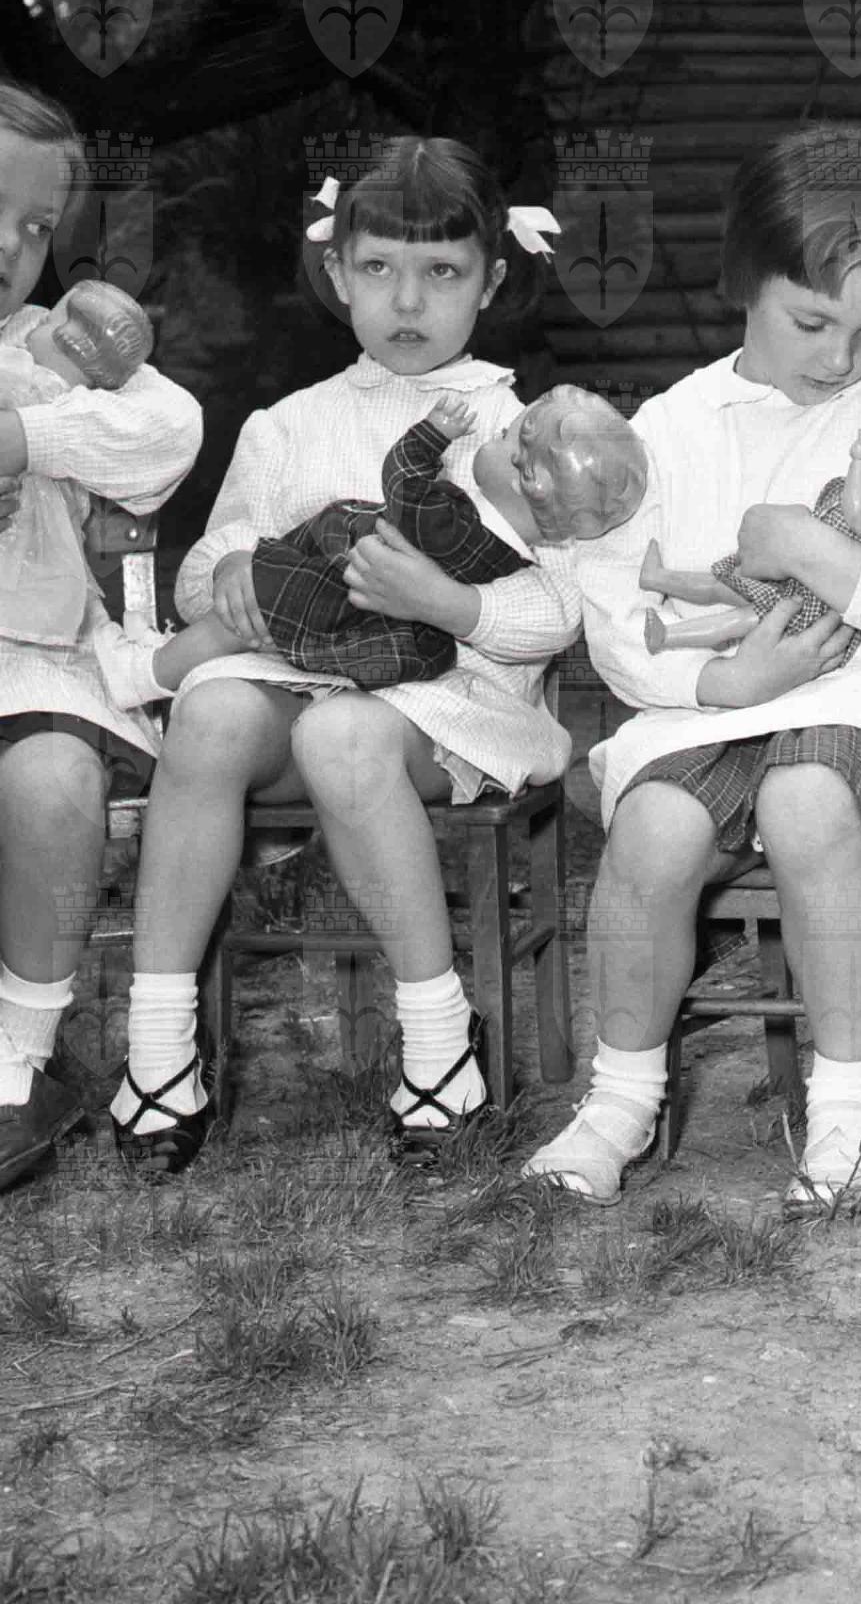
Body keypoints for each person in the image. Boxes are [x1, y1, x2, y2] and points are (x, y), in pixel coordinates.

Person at [524, 124, 861, 1214]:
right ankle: (619, 1098)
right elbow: (617, 612)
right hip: (716, 707)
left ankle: (850, 1106)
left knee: (807, 797)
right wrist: (723, 686)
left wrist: (841, 576)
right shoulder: (668, 429)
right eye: (813, 322)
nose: (843, 359)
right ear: (744, 282)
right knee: (653, 828)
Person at [109, 137, 583, 1175]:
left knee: (345, 736)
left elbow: (557, 612)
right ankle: (159, 1046)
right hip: (299, 675)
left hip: (451, 700)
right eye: (379, 268)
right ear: (338, 272)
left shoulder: (521, 432)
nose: (407, 300)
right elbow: (210, 565)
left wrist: (448, 602)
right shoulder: (290, 424)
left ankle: (440, 1043)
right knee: (212, 713)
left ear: (490, 281)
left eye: (442, 271)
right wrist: (232, 571)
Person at [0, 84, 202, 1191]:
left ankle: (18, 1057)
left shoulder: (55, 350)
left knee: (53, 783)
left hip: (34, 659)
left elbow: (170, 432)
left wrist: (26, 437)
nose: (10, 246)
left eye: (36, 226)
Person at [96, 384, 645, 699]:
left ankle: (145, 674)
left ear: (526, 478)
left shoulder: (453, 522)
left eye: (504, 438)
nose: (495, 436)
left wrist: (432, 435)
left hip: (338, 592)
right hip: (373, 630)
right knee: (250, 615)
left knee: (245, 613)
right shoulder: (508, 560)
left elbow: (402, 481)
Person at [637, 403, 861, 653]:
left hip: (808, 605)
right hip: (798, 579)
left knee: (739, 619)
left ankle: (668, 637)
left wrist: (860, 463)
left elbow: (856, 512)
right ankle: (658, 579)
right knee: (722, 586)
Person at [0, 280, 156, 648]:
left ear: (70, 342)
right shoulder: (79, 405)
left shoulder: (26, 376)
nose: (36, 325)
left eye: (46, 323)